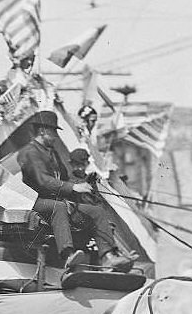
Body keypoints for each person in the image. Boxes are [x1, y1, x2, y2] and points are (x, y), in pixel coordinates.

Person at [17, 111, 133, 272]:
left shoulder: (52, 152)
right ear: (43, 130)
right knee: (59, 207)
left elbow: (64, 177)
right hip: (36, 201)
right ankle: (68, 255)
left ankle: (108, 258)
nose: (56, 136)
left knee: (97, 211)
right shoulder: (29, 152)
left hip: (58, 201)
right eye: (54, 131)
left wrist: (84, 186)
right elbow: (42, 181)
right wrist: (72, 187)